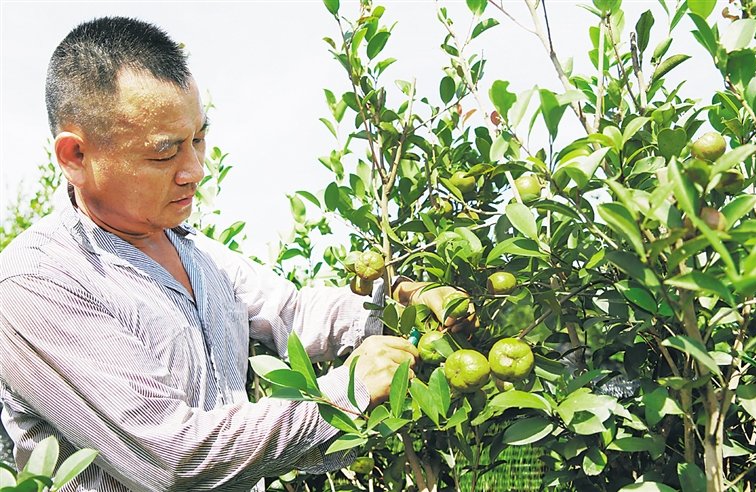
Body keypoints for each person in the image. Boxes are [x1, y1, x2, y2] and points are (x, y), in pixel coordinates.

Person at [0, 16, 476, 492]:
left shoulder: (195, 251)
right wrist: (345, 393)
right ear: (76, 157)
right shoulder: (38, 282)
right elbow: (174, 458)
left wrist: (402, 303)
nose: (194, 170)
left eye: (198, 139)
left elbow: (292, 312)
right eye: (164, 153)